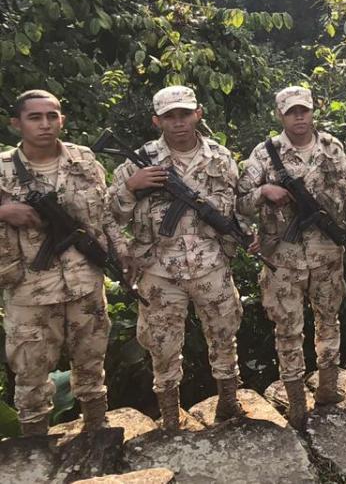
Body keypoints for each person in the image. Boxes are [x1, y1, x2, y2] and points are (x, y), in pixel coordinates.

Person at [109, 86, 245, 428]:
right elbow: (108, 214)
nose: (179, 122)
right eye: (170, 116)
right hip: (158, 269)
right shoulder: (139, 161)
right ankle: (171, 417)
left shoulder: (220, 157)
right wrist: (131, 187)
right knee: (162, 345)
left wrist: (240, 242)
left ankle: (228, 403)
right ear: (157, 120)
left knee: (224, 334)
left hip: (210, 263)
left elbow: (238, 206)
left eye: (184, 114)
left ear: (198, 114)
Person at [0, 90, 123, 436]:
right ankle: (34, 446)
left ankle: (97, 432)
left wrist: (121, 255)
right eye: (34, 117)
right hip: (28, 288)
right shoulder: (2, 167)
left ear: (62, 120)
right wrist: (3, 211)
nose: (45, 124)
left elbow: (106, 214)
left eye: (52, 116)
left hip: (85, 281)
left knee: (92, 362)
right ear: (16, 124)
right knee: (30, 372)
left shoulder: (83, 160)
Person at [236, 86, 346, 428]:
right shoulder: (264, 153)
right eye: (291, 112)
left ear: (313, 111)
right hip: (283, 257)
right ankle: (298, 402)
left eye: (304, 110)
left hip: (326, 251)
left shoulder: (332, 147)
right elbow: (238, 201)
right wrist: (262, 192)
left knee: (329, 319)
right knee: (287, 328)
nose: (299, 117)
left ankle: (328, 390)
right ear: (280, 115)